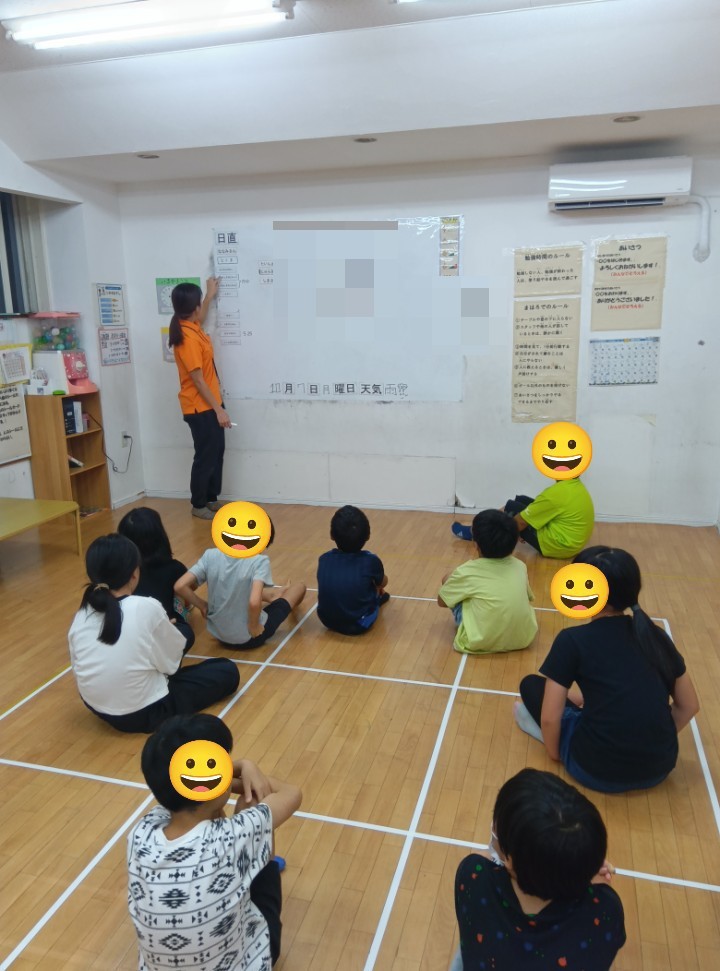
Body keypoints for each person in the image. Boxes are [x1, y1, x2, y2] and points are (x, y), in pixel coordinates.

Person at [515, 546, 700, 792]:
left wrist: (556, 754)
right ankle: (584, 705)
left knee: (530, 686)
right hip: (660, 768)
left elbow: (549, 718)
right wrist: (653, 742)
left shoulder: (571, 640)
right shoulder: (656, 636)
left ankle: (556, 727)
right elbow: (689, 706)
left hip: (594, 770)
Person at [128, 713, 302, 969]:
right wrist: (245, 766)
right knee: (252, 802)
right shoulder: (233, 837)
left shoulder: (141, 832)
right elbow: (291, 793)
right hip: (247, 962)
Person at [452, 768, 625, 971]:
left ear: (510, 860)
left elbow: (485, 861)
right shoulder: (605, 910)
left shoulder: (473, 875)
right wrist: (586, 874)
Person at [68, 534, 240, 733]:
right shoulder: (145, 606)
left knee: (161, 646)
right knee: (225, 669)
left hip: (96, 706)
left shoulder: (82, 613)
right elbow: (170, 666)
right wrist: (166, 629)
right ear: (134, 573)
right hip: (145, 713)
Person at [174, 521, 306, 649]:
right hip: (250, 638)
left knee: (238, 585)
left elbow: (180, 586)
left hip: (219, 635)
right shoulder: (259, 561)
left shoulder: (210, 555)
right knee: (300, 587)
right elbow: (254, 602)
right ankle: (278, 599)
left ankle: (272, 596)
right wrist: (254, 626)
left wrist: (202, 606)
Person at [168, 278, 231, 521]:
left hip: (210, 403)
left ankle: (211, 498)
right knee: (205, 456)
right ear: (193, 308)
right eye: (199, 305)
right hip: (200, 407)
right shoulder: (187, 338)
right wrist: (219, 410)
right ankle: (198, 504)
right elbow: (198, 380)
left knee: (216, 452)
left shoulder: (191, 326)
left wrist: (209, 294)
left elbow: (201, 316)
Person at [438, 510, 537, 655]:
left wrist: (451, 580)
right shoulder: (520, 566)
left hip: (477, 642)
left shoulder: (467, 571)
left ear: (476, 544)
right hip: (523, 639)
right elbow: (528, 597)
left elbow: (442, 601)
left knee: (448, 579)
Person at [118, 505, 195, 651]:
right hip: (163, 631)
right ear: (160, 536)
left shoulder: (121, 570)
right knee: (182, 593)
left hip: (128, 630)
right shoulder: (175, 568)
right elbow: (190, 588)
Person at [316, 505, 389, 636]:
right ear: (368, 536)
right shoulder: (371, 561)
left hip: (326, 620)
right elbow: (383, 582)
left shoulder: (324, 559)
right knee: (378, 588)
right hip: (359, 624)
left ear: (332, 535)